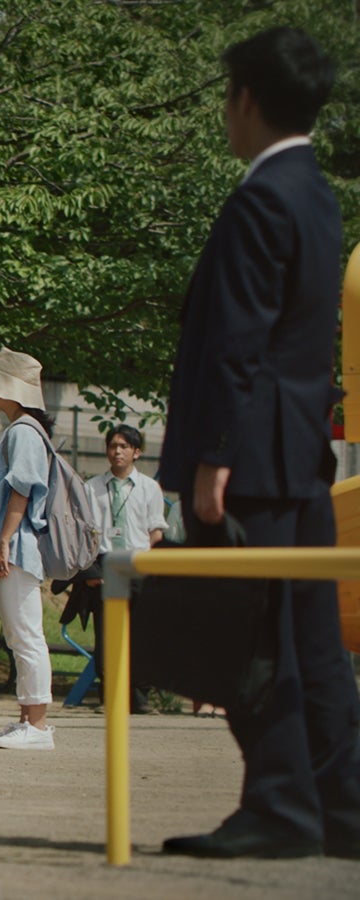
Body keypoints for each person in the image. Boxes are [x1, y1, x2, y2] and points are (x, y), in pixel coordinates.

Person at [156, 27, 360, 860]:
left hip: (246, 460)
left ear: (245, 98)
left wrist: (214, 457)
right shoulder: (319, 195)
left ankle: (279, 802)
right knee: (311, 639)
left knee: (246, 634)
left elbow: (239, 340)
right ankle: (341, 804)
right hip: (300, 457)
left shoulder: (260, 198)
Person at [0, 346, 56, 750]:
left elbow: (21, 490)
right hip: (15, 544)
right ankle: (27, 719)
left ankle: (37, 726)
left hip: (17, 545)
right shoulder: (23, 429)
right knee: (20, 634)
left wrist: (2, 540)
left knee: (25, 634)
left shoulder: (22, 431)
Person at [57, 424, 166, 713]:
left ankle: (140, 697)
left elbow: (155, 532)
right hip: (105, 565)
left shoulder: (149, 488)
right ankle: (111, 696)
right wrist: (92, 574)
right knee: (107, 634)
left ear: (136, 452)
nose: (117, 452)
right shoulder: (92, 487)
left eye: (124, 446)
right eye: (113, 446)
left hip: (138, 562)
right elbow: (81, 534)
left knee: (142, 632)